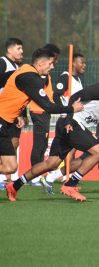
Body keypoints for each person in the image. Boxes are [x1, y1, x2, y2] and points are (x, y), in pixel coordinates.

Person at [5, 70, 99, 202]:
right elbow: (74, 98)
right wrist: (68, 120)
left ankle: (14, 185)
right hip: (72, 123)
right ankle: (70, 185)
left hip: (72, 125)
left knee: (51, 164)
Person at [1, 48, 83, 200]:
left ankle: (12, 186)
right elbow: (49, 106)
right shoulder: (29, 77)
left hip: (6, 124)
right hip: (1, 121)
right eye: (51, 64)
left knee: (10, 167)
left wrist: (19, 114)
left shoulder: (24, 71)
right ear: (40, 63)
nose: (52, 67)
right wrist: (72, 108)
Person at [39, 52, 86, 186]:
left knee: (71, 152)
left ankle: (56, 177)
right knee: (63, 156)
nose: (84, 65)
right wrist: (65, 112)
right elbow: (56, 95)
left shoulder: (77, 80)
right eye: (81, 62)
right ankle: (54, 177)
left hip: (75, 120)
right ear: (73, 64)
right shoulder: (66, 77)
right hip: (67, 120)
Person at [28, 44, 61, 186]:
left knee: (41, 145)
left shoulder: (46, 74)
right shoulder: (40, 75)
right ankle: (34, 176)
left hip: (43, 111)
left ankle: (37, 174)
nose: (55, 63)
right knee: (39, 144)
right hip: (39, 111)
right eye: (54, 59)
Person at [0, 37, 25, 189]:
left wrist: (21, 114)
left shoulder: (16, 68)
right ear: (9, 50)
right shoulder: (2, 63)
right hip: (2, 113)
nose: (22, 52)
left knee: (14, 143)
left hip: (12, 114)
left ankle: (5, 178)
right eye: (18, 48)